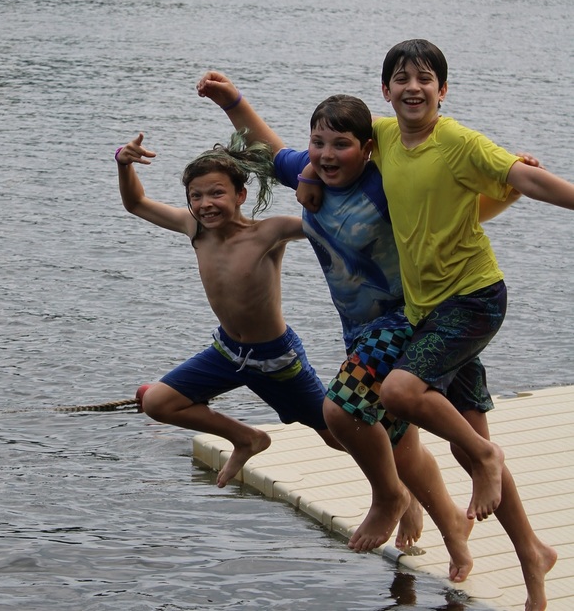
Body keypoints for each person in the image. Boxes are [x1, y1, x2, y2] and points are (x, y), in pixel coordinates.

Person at [195, 70, 514, 581]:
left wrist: (512, 188)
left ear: (366, 148)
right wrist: (231, 99)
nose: (325, 153)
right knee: (398, 443)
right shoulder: (311, 170)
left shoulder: (386, 181)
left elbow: (457, 204)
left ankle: (389, 499)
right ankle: (454, 534)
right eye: (318, 142)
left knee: (341, 414)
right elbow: (267, 145)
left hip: (405, 318)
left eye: (340, 144)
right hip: (360, 331)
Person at [369, 38, 569, 611]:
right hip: (428, 310)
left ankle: (486, 462)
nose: (413, 87)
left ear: (443, 90)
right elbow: (310, 154)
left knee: (401, 392)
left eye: (425, 78)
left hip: (474, 299)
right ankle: (533, 554)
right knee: (468, 439)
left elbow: (527, 179)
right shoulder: (381, 137)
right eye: (401, 78)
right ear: (385, 90)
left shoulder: (456, 141)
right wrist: (235, 109)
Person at [115, 130, 343, 494]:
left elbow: (331, 219)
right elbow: (136, 203)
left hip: (276, 360)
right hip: (227, 352)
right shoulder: (195, 230)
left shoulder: (269, 233)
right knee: (158, 402)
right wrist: (123, 164)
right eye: (196, 196)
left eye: (217, 193)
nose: (206, 203)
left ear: (240, 195)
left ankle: (397, 488)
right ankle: (247, 438)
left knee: (336, 434)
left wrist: (313, 175)